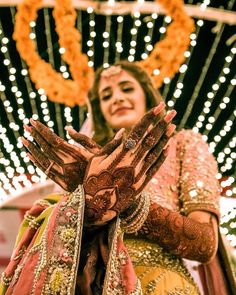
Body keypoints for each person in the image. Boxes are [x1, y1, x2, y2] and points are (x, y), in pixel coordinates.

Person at [0, 61, 232, 295]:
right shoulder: (90, 162)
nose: (117, 98)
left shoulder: (183, 144)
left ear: (147, 98)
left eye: (127, 88)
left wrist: (127, 205)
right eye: (106, 95)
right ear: (99, 110)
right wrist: (83, 204)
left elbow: (205, 244)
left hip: (164, 286)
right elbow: (64, 243)